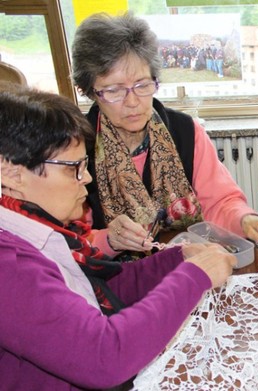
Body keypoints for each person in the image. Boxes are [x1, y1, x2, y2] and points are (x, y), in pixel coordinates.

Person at [0, 87, 237, 388]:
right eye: (73, 168)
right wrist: (194, 276)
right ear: (11, 174)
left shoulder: (34, 230)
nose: (85, 178)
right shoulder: (9, 266)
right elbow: (104, 357)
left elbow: (100, 291)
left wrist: (178, 259)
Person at [70, 12, 258, 260]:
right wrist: (109, 239)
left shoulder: (184, 131)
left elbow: (220, 202)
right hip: (115, 278)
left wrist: (245, 219)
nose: (132, 102)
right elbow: (66, 238)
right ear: (90, 92)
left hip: (189, 263)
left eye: (142, 85)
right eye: (113, 90)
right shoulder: (77, 149)